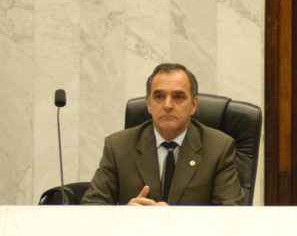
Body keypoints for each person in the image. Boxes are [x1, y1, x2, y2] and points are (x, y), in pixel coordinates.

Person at [81, 63, 244, 206]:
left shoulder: (218, 148)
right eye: (159, 96)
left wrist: (174, 220)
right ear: (148, 104)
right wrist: (126, 215)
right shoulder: (118, 147)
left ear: (193, 105)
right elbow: (91, 207)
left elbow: (230, 216)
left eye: (178, 97)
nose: (167, 105)